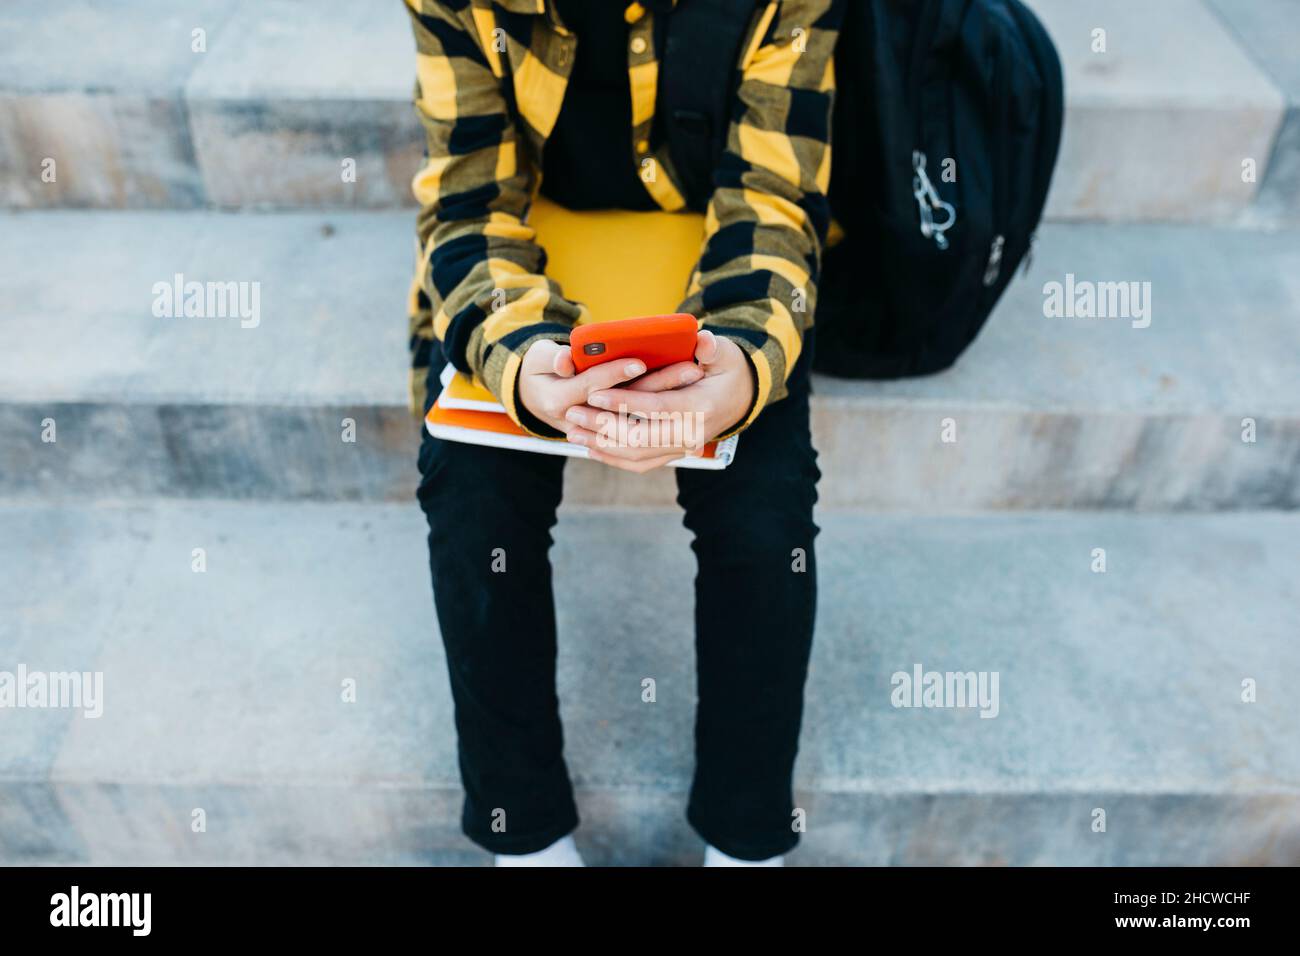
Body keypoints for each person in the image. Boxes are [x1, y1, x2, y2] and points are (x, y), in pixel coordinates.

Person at [405, 0, 842, 865]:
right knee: (471, 494)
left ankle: (748, 837)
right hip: (526, 253)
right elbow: (467, 202)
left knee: (765, 506)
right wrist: (522, 359)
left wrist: (749, 366)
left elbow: (775, 198)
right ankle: (521, 833)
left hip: (732, 256)